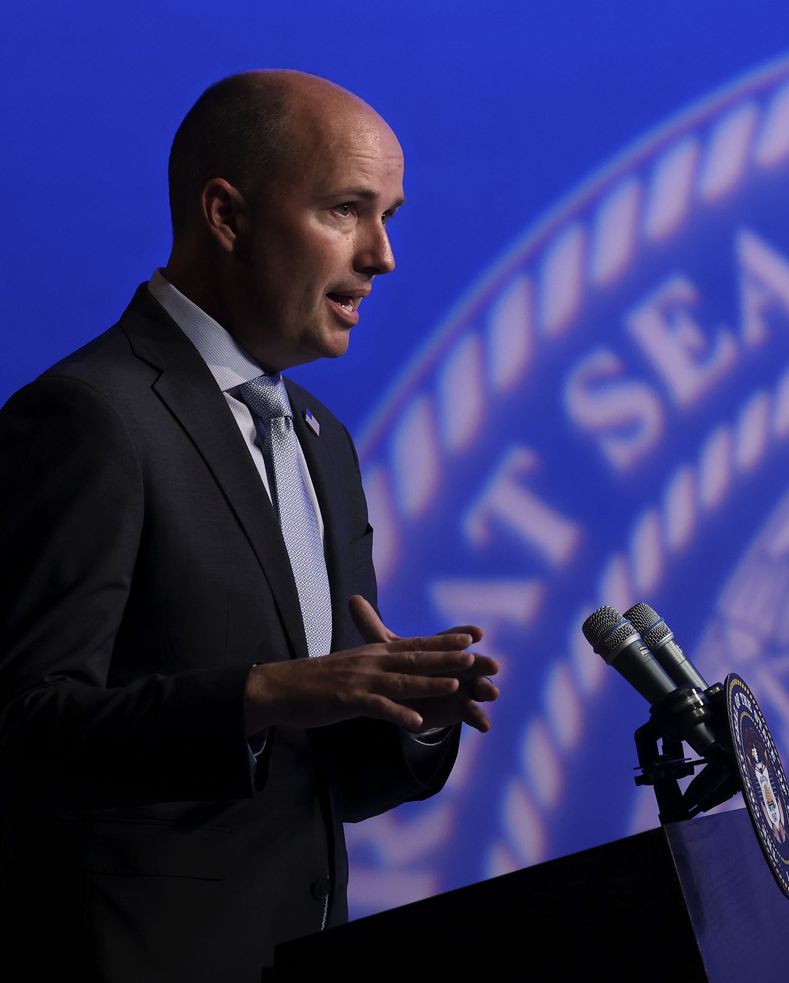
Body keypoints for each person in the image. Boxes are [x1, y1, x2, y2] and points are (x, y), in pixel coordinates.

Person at [0, 70, 499, 982]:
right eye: (347, 210)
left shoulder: (324, 442)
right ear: (226, 216)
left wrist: (404, 718)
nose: (382, 255)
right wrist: (265, 693)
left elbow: (313, 782)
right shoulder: (89, 418)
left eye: (390, 214)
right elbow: (23, 730)